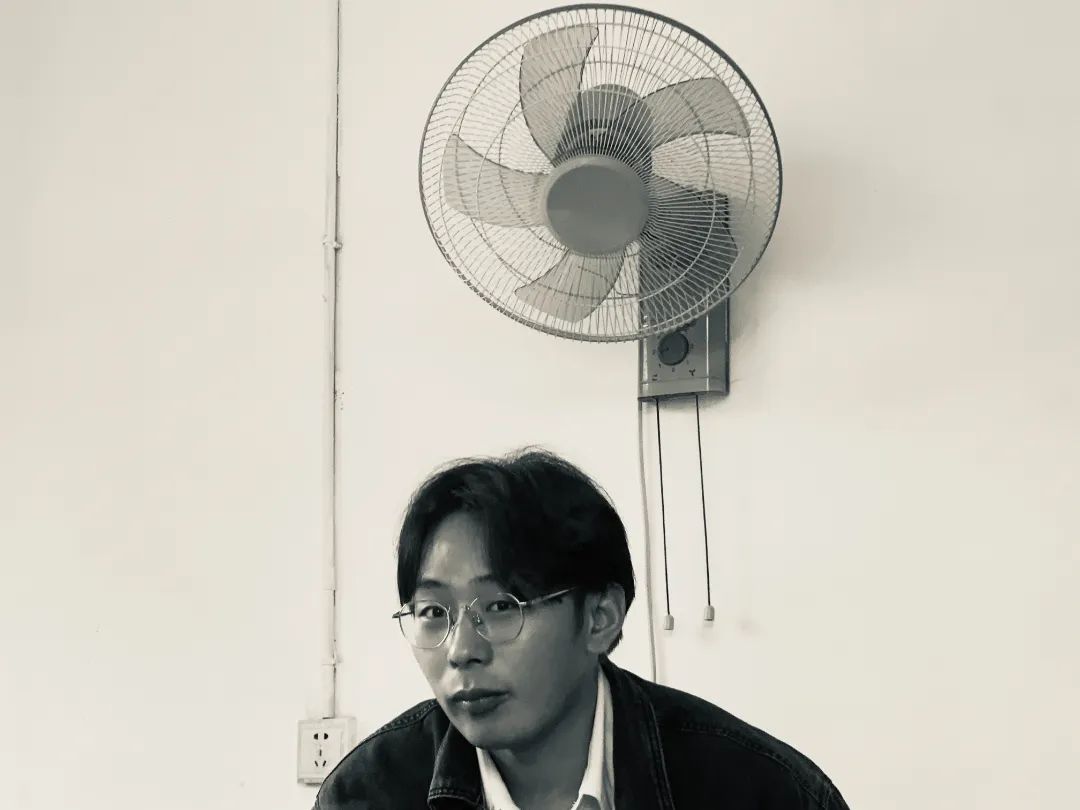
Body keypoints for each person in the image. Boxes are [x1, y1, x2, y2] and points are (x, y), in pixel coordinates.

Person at [314, 448, 849, 809]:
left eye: (500, 607)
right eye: (434, 613)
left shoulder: (756, 791)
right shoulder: (368, 795)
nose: (461, 650)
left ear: (600, 618)